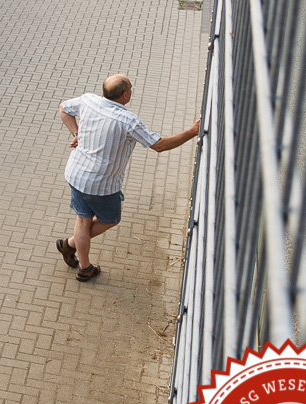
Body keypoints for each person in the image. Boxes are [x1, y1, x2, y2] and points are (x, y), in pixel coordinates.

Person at [57, 75, 201, 281]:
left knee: (82, 219)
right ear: (125, 94)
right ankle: (70, 245)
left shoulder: (89, 100)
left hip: (76, 173)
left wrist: (76, 133)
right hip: (101, 184)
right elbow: (159, 145)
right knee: (109, 219)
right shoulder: (128, 121)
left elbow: (63, 108)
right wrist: (192, 131)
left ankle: (84, 266)